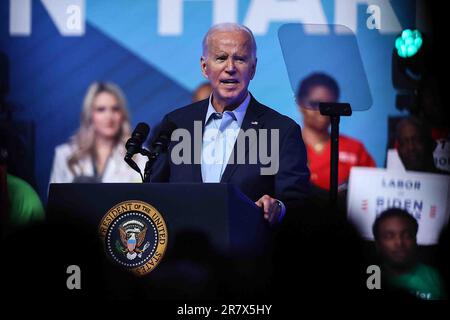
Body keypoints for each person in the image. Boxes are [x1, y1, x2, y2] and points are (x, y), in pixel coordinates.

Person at [152, 23, 310, 224]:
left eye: (240, 59)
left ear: (252, 69)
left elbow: (297, 202)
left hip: (247, 251)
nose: (230, 68)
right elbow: (154, 192)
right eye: (221, 58)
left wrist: (278, 208)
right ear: (204, 67)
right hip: (183, 249)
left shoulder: (282, 131)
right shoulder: (175, 124)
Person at [49, 82, 144, 184]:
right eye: (101, 109)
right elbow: (54, 198)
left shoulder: (140, 155)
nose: (109, 116)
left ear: (122, 115)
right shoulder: (65, 154)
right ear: (89, 115)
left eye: (115, 109)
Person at [296, 72, 376, 191]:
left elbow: (373, 192)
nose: (322, 111)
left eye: (329, 105)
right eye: (315, 104)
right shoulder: (288, 147)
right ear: (300, 105)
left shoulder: (355, 149)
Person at [373, 208, 446, 300]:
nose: (399, 242)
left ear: (415, 240)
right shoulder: (371, 277)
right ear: (378, 244)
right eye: (389, 236)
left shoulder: (436, 278)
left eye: (407, 235)